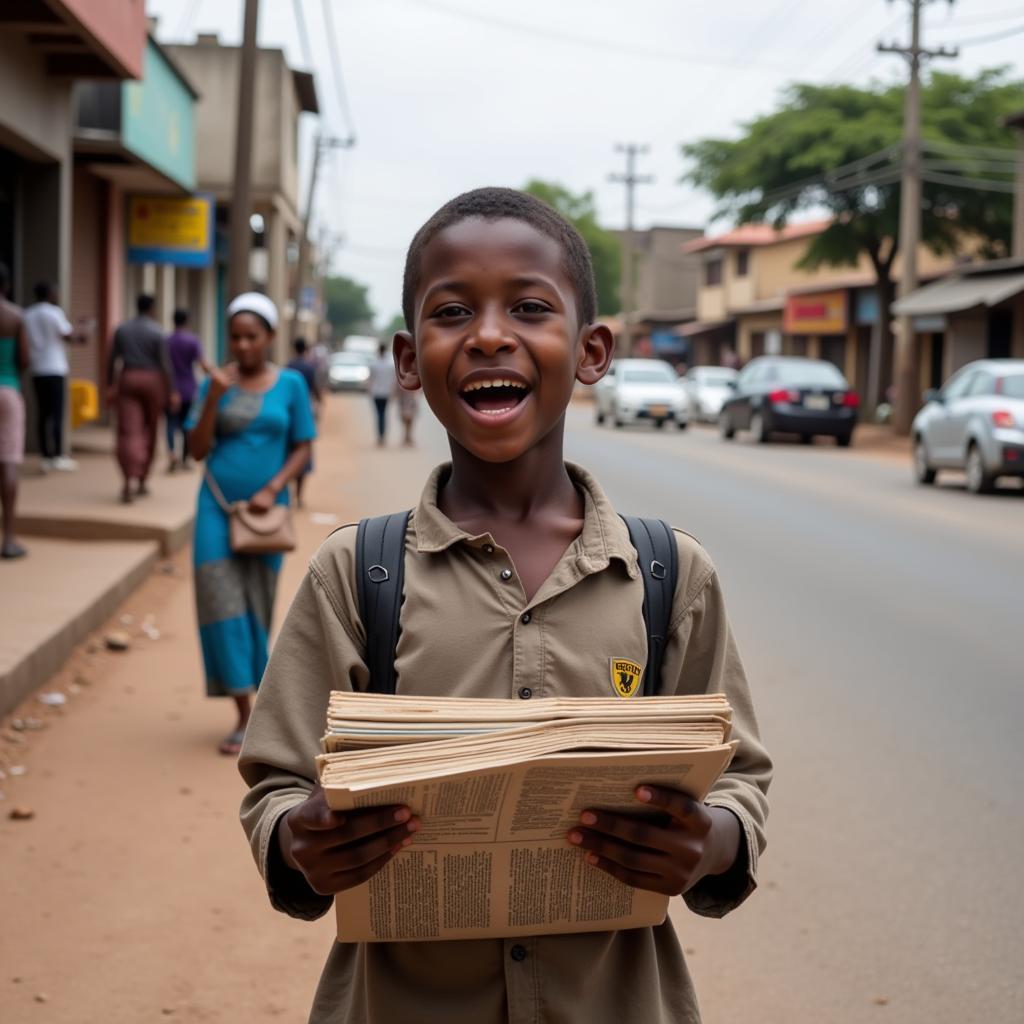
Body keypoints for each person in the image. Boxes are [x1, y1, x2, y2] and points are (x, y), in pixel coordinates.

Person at [238, 188, 771, 1023]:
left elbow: (740, 777)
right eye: (453, 312)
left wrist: (711, 841)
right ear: (409, 362)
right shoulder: (358, 573)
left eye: (529, 306)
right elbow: (276, 787)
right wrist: (300, 840)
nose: (489, 334)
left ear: (590, 350)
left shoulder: (669, 574)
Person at [186, 293, 315, 756]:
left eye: (251, 337)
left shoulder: (291, 385)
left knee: (257, 604)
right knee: (220, 603)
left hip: (266, 514)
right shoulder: (215, 385)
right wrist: (213, 399)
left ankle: (264, 706)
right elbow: (196, 450)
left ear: (270, 337)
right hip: (214, 509)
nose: (241, 346)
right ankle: (243, 711)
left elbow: (303, 445)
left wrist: (274, 486)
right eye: (235, 337)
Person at [107, 295, 179, 504]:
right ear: (152, 309)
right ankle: (142, 479)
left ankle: (128, 479)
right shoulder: (157, 332)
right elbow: (165, 364)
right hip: (152, 381)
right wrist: (171, 390)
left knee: (128, 431)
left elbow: (112, 360)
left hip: (127, 378)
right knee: (151, 428)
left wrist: (110, 386)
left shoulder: (122, 329)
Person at [23, 281, 79, 471]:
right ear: (50, 294)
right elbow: (68, 335)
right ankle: (57, 456)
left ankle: (44, 456)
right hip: (55, 368)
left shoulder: (27, 314)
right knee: (56, 413)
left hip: (37, 369)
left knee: (42, 413)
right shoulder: (54, 313)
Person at [0, 263, 29, 559]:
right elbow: (24, 359)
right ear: (7, 285)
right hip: (7, 390)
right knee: (7, 461)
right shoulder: (15, 316)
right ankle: (8, 539)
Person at [165, 308, 209, 472]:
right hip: (189, 388)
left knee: (170, 423)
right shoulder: (193, 340)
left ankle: (172, 454)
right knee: (187, 425)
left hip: (171, 389)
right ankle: (184, 458)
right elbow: (203, 363)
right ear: (187, 321)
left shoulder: (166, 341)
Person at [286, 337, 322, 508]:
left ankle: (289, 491)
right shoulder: (309, 367)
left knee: (289, 451)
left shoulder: (288, 366)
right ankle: (298, 496)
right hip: (304, 412)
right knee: (303, 451)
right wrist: (320, 400)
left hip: (289, 412)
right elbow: (315, 387)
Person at [367, 342, 395, 446]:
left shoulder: (374, 363)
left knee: (379, 415)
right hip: (386, 393)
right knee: (384, 414)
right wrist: (393, 392)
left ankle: (380, 436)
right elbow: (393, 380)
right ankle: (382, 436)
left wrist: (369, 390)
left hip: (377, 393)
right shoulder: (390, 364)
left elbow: (370, 379)